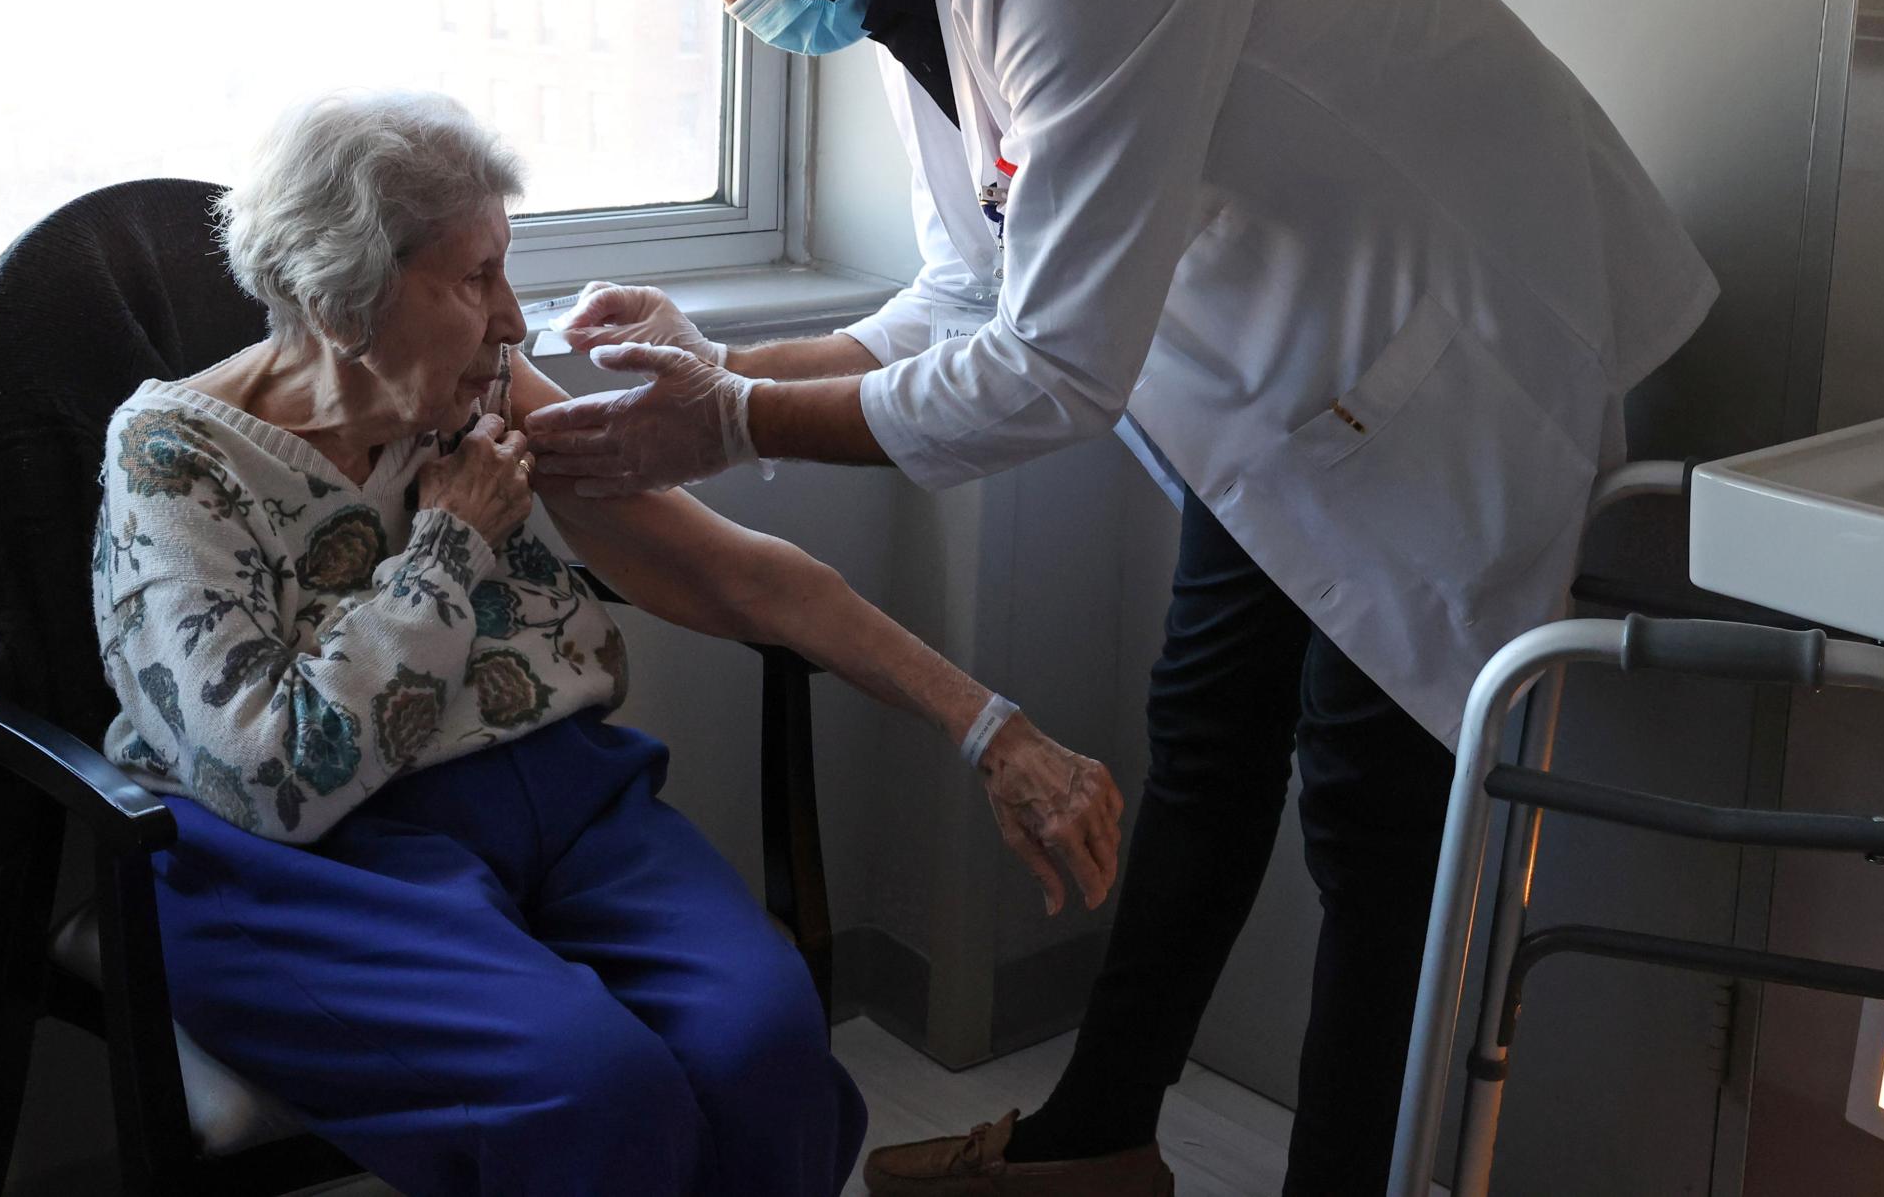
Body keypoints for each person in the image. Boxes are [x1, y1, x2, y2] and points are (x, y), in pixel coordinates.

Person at [526, 0, 1717, 1196]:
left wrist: (735, 418)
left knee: (1373, 814)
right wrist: (726, 369)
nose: (739, 3)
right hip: (1281, 390)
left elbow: (1052, 373)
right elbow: (968, 288)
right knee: (1207, 732)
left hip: (1449, 381)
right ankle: (1099, 1142)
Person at [90, 88, 1123, 1197]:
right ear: (346, 300)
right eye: (473, 277)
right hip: (314, 863)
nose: (513, 324)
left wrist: (991, 729)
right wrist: (445, 543)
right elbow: (274, 775)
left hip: (559, 803)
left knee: (764, 1048)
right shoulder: (173, 459)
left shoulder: (471, 395)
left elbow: (736, 568)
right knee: (590, 1090)